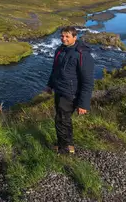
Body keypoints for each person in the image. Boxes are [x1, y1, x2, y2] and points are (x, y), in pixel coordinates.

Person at [45, 26, 95, 154]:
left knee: (61, 121)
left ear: (75, 37)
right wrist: (50, 85)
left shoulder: (82, 54)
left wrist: (83, 104)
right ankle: (67, 144)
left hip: (70, 94)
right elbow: (55, 70)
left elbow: (88, 81)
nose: (64, 39)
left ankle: (64, 149)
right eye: (62, 36)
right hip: (59, 90)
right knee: (63, 119)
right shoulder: (60, 50)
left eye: (67, 36)